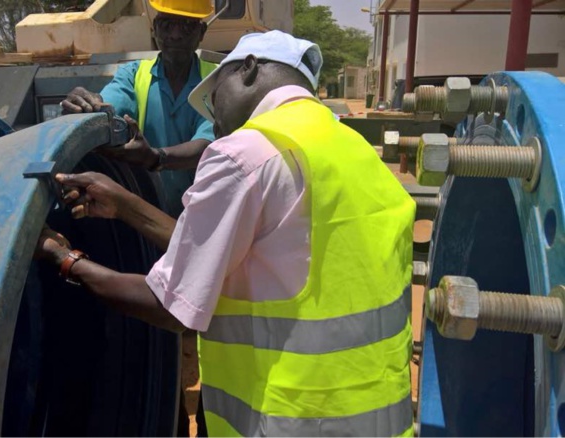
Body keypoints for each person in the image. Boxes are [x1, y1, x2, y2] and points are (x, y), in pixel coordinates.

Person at [37, 30, 416, 436]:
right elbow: (222, 255)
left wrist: (66, 260)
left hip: (291, 421)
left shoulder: (246, 153)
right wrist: (124, 205)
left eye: (213, 97)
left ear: (249, 69)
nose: (213, 120)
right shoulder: (352, 148)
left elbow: (170, 305)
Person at [60, 0, 217, 217]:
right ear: (155, 28)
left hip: (206, 214)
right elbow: (105, 109)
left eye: (186, 25)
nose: (175, 35)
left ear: (201, 32)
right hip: (149, 214)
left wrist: (155, 158)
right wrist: (85, 107)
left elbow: (209, 145)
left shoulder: (217, 79)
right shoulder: (133, 75)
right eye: (167, 24)